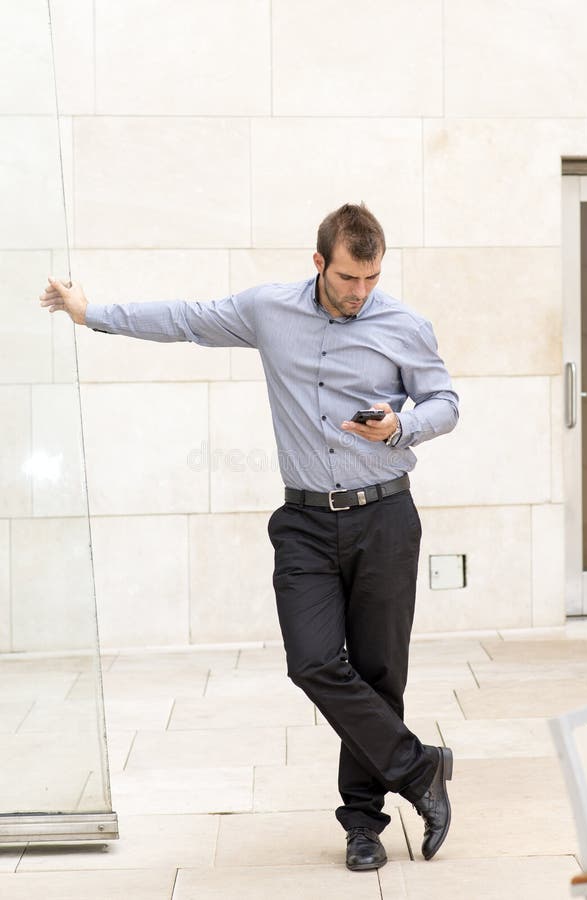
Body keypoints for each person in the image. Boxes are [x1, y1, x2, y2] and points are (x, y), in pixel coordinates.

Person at [40, 203, 458, 869]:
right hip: (304, 522)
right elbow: (186, 319)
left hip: (383, 515)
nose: (359, 292)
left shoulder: (403, 324)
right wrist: (92, 313)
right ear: (318, 262)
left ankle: (361, 826)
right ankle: (418, 767)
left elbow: (444, 402)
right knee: (314, 661)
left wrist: (399, 428)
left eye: (371, 278)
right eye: (348, 277)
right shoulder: (269, 310)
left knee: (377, 671)